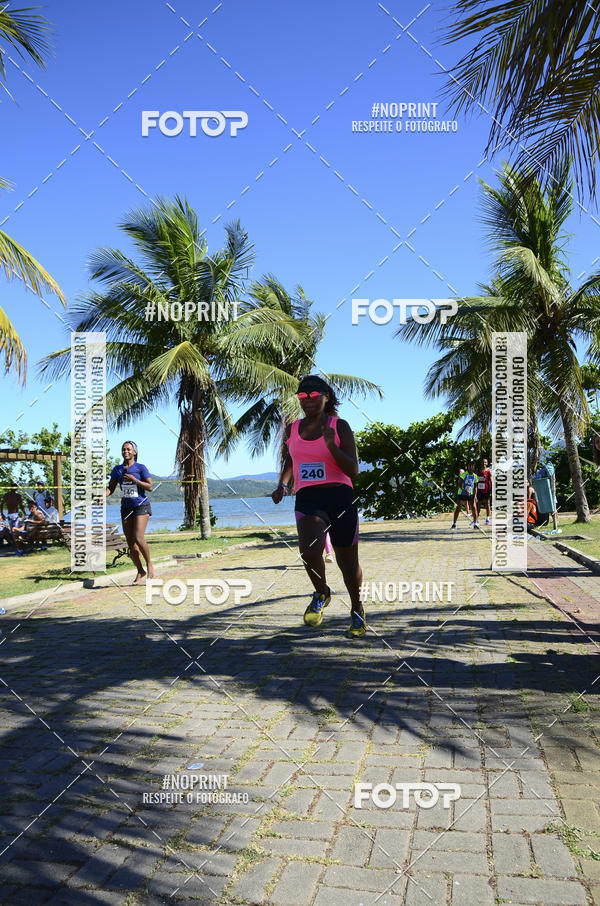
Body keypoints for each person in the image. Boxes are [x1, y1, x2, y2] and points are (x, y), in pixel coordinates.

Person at [271, 375, 366, 638]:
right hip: (308, 498)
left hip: (340, 497)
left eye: (314, 396)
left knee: (348, 563)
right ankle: (322, 592)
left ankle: (357, 608)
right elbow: (291, 460)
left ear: (326, 396)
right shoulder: (293, 428)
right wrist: (283, 484)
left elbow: (353, 469)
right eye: (303, 397)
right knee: (309, 549)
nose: (308, 401)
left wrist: (330, 446)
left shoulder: (340, 426)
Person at [105, 441, 154, 584]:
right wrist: (103, 496)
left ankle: (149, 564)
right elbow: (111, 488)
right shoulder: (117, 470)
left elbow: (150, 487)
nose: (125, 451)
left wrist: (135, 480)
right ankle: (140, 570)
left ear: (134, 452)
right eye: (123, 449)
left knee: (139, 537)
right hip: (126, 508)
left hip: (141, 505)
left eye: (128, 449)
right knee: (130, 542)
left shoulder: (140, 468)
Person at [451, 461, 479, 530]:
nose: (471, 467)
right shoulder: (464, 474)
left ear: (474, 467)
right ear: (467, 467)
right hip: (462, 493)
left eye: (472, 466)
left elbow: (475, 487)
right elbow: (459, 485)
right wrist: (466, 491)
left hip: (470, 494)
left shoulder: (475, 476)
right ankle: (454, 524)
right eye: (469, 466)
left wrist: (475, 496)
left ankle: (475, 523)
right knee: (458, 508)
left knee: (474, 508)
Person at [475, 457, 492, 525]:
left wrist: (491, 489)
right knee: (478, 505)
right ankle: (476, 519)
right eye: (483, 462)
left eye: (485, 462)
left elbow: (491, 481)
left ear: (487, 463)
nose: (484, 464)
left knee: (487, 504)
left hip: (486, 490)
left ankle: (487, 518)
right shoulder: (477, 471)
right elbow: (475, 481)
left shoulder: (488, 471)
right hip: (479, 491)